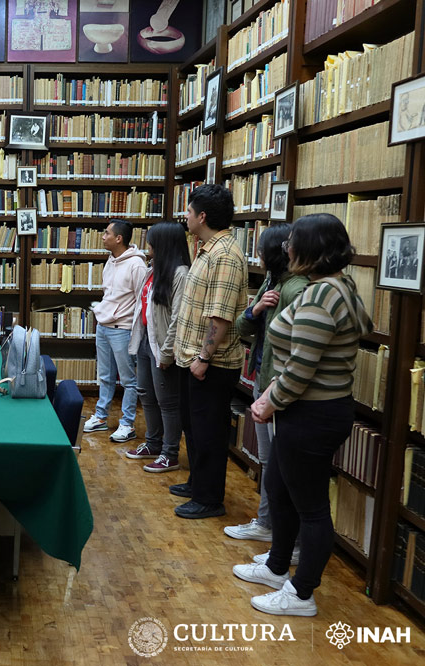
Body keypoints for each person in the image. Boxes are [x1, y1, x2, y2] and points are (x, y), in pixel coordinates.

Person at [235, 214, 372, 616]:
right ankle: (278, 567)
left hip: (311, 413)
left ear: (310, 249)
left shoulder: (319, 298)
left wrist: (267, 401)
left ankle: (301, 593)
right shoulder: (339, 286)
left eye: (293, 241)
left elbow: (299, 368)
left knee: (311, 508)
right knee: (278, 486)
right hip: (309, 410)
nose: (286, 247)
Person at [224, 225, 308, 547]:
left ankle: (272, 528)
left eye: (261, 251)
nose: (257, 256)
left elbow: (297, 343)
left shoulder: (296, 288)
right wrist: (256, 309)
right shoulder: (272, 283)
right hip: (261, 375)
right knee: (267, 459)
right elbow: (243, 326)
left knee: (276, 462)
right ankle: (266, 522)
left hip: (276, 384)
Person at [170, 184, 248, 519]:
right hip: (193, 360)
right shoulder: (206, 249)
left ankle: (209, 498)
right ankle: (198, 483)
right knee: (195, 428)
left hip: (211, 365)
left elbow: (220, 315)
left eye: (188, 211)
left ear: (202, 216)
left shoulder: (225, 256)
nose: (184, 216)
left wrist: (203, 358)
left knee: (210, 433)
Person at [124, 221, 189, 472]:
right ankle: (152, 443)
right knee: (146, 394)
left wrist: (167, 351)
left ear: (163, 243)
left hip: (162, 346)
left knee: (167, 402)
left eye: (151, 240)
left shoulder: (180, 273)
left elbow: (178, 318)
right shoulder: (154, 269)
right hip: (145, 341)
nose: (147, 245)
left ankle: (169, 454)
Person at [83, 219, 148, 444]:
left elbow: (142, 301)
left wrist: (136, 331)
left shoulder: (137, 265)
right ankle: (101, 417)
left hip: (122, 329)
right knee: (105, 376)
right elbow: (109, 294)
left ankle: (127, 423)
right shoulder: (110, 260)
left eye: (106, 233)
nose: (103, 237)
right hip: (104, 327)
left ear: (118, 238)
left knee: (129, 379)